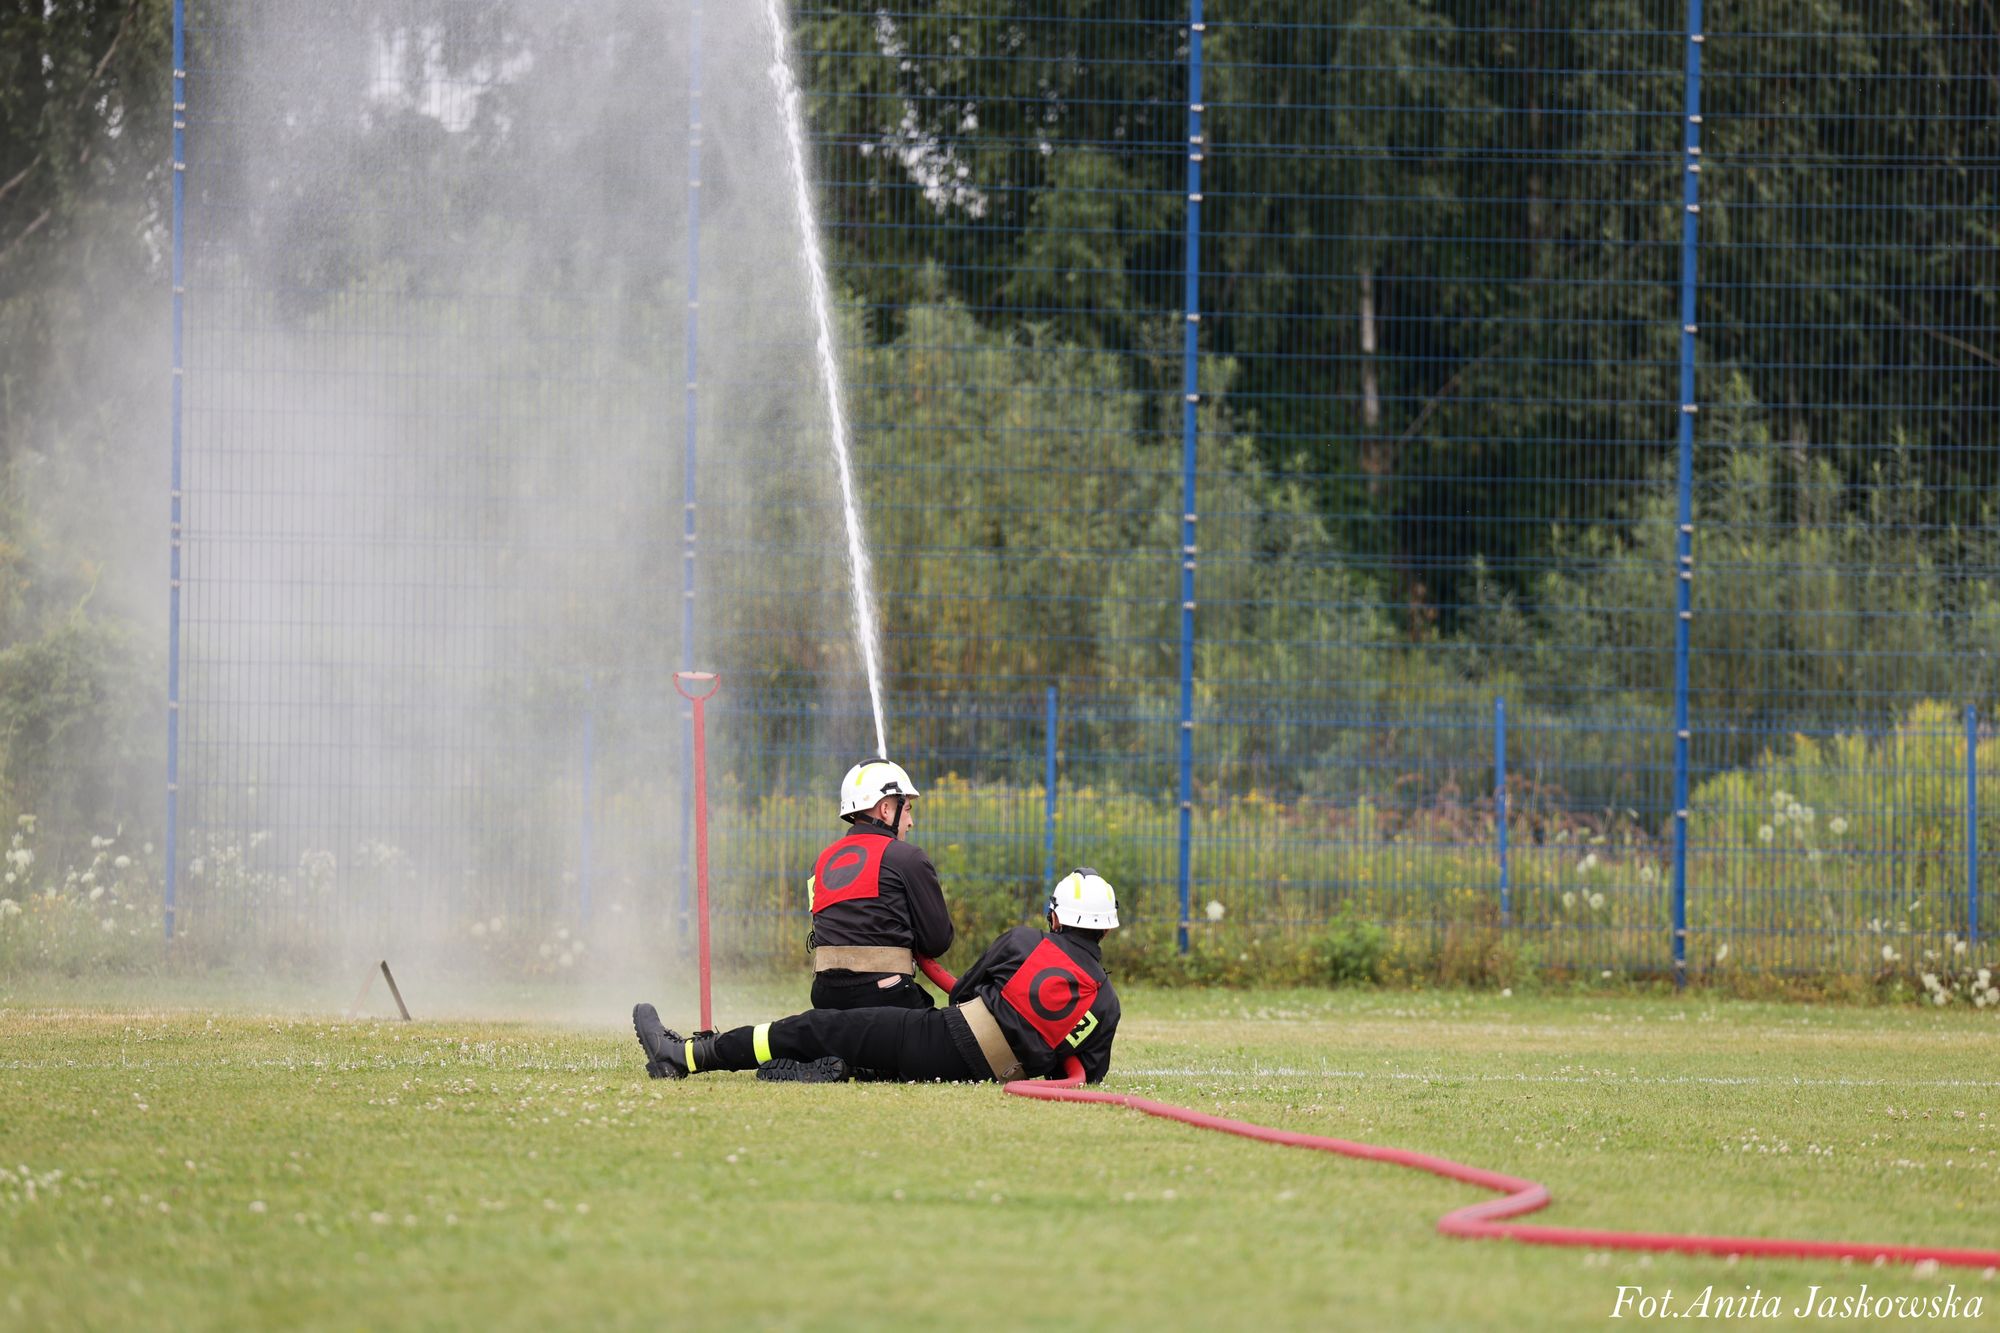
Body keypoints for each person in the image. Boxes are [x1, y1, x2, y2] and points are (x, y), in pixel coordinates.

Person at [633, 869, 1122, 1085]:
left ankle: (687, 1056)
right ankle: (840, 1067)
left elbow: (963, 997)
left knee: (816, 1026)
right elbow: (1080, 1074)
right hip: (992, 1073)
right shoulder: (1106, 1004)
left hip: (947, 1038)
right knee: (866, 1045)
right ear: (1106, 929)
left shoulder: (1024, 942)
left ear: (1055, 917)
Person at [803, 759, 954, 1012]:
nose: (910, 822)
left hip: (824, 998)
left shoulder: (819, 864)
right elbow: (937, 942)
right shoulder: (908, 858)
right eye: (907, 809)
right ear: (886, 809)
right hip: (887, 998)